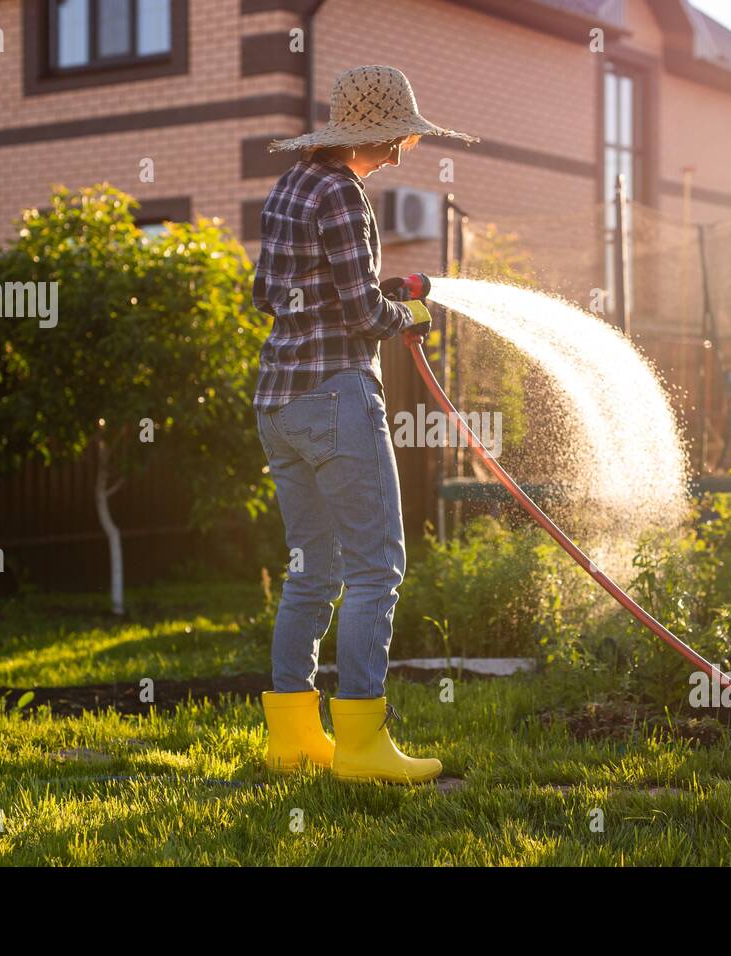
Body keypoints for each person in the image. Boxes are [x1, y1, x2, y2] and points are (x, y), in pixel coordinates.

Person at [251, 65, 478, 783]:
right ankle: (361, 745)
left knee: (312, 571)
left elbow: (269, 292)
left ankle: (292, 737)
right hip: (336, 399)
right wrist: (402, 315)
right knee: (378, 567)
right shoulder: (344, 194)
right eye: (403, 134)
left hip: (278, 403)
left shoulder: (291, 185)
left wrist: (376, 296)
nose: (406, 148)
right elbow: (358, 312)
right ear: (378, 133)